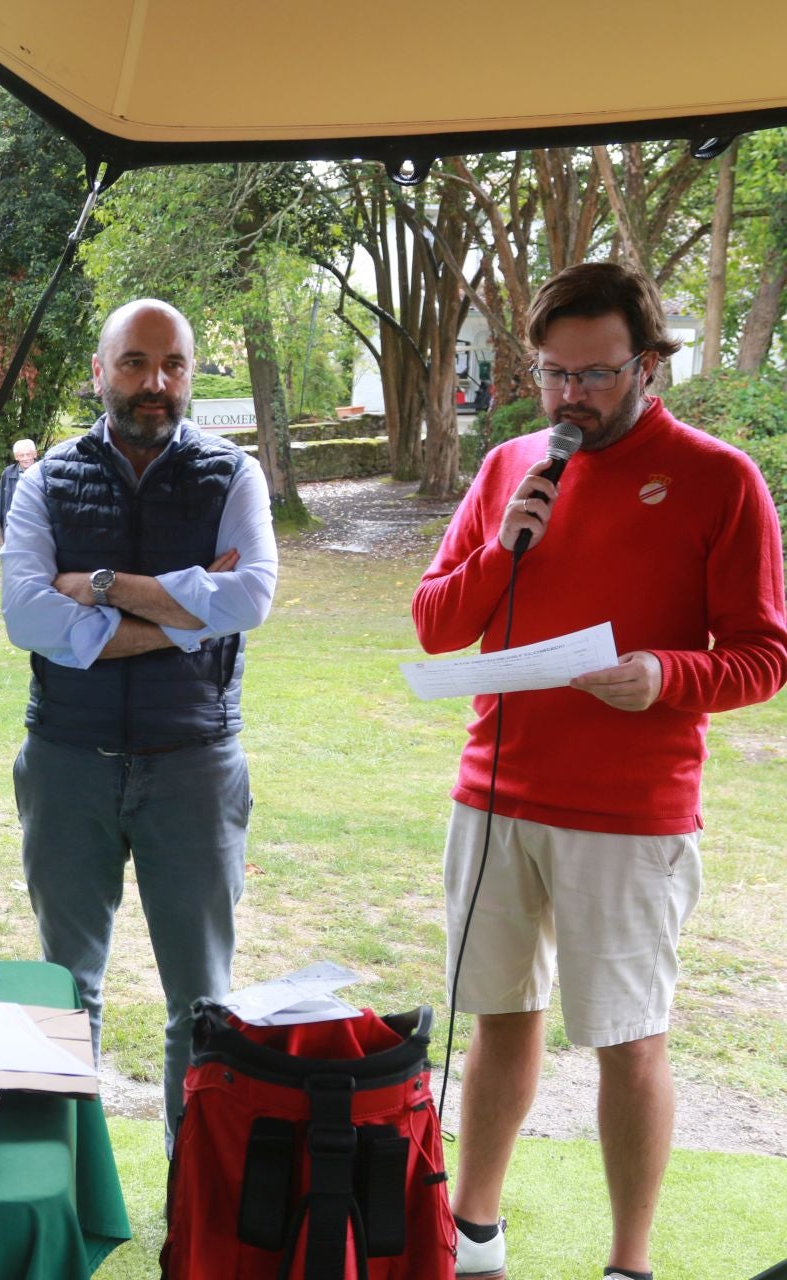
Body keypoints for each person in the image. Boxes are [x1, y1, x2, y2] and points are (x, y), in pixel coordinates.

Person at [412, 261, 787, 1280]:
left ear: (650, 365)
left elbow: (764, 651)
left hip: (629, 813)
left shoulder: (719, 477)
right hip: (493, 797)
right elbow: (437, 620)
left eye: (596, 375)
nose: (571, 397)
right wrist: (503, 544)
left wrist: (666, 674)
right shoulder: (509, 471)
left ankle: (628, 1263)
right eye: (552, 375)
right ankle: (475, 1239)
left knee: (627, 1038)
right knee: (496, 1020)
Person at [0, 298, 278, 1150]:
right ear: (100, 370)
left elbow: (252, 598)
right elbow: (25, 616)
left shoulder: (234, 475)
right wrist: (190, 607)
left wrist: (103, 584)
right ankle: (67, 1187)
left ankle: (195, 1211)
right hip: (67, 761)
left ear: (192, 373)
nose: (155, 384)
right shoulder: (47, 478)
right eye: (134, 363)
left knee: (202, 1007)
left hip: (193, 762)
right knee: (65, 991)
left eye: (173, 365)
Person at [0, 438, 39, 538]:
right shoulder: (8, 473)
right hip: (12, 525)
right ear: (16, 457)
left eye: (28, 454)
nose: (26, 458)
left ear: (35, 454)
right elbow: (0, 500)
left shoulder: (43, 472)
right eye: (21, 455)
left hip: (36, 525)